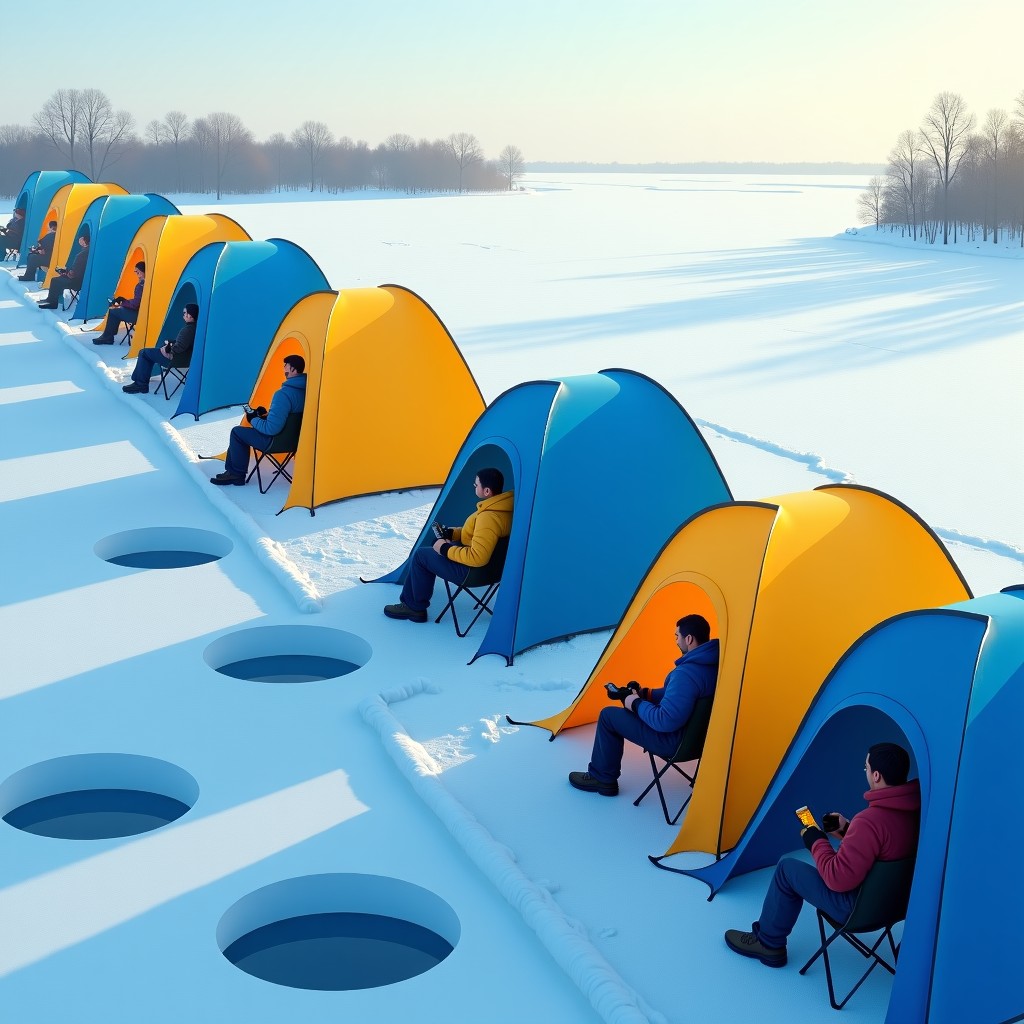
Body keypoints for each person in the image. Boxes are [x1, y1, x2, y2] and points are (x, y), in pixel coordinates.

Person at [724, 742, 920, 968]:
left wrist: (816, 841)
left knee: (787, 869)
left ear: (876, 775)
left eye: (865, 767)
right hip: (893, 908)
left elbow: (837, 879)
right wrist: (848, 831)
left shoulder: (870, 821)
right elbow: (886, 851)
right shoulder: (917, 814)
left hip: (857, 910)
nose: (865, 772)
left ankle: (768, 943)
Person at [568, 614, 720, 796]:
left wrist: (635, 703)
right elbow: (682, 695)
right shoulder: (714, 666)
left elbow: (665, 720)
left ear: (689, 639)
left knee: (608, 715)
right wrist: (644, 694)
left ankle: (602, 778)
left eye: (677, 636)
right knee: (628, 709)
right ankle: (603, 776)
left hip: (671, 741)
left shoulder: (686, 673)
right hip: (696, 742)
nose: (676, 641)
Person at [384, 467, 514, 623]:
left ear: (486, 491)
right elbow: (478, 534)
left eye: (476, 485)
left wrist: (444, 549)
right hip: (493, 571)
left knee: (421, 555)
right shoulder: (504, 509)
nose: (474, 486)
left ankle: (414, 608)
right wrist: (451, 533)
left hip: (472, 573)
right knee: (432, 550)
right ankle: (414, 600)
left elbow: (478, 557)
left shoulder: (489, 517)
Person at [211, 354, 307, 486]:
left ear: (294, 370)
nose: (284, 369)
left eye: (286, 366)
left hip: (273, 442)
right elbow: (287, 418)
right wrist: (264, 415)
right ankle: (235, 473)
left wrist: (252, 419)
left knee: (237, 432)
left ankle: (236, 474)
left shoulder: (283, 394)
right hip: (293, 443)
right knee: (246, 430)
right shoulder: (307, 391)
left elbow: (271, 429)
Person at [122, 303, 198, 395]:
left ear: (189, 315)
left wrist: (168, 346)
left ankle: (140, 384)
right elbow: (184, 345)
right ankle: (139, 381)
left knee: (144, 353)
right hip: (185, 360)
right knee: (150, 354)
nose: (183, 314)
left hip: (174, 360)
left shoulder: (187, 330)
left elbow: (178, 348)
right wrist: (171, 343)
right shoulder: (196, 328)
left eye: (184, 312)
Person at [93, 261, 145, 344]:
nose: (136, 274)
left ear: (144, 271)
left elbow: (135, 305)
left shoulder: (141, 286)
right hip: (145, 314)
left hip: (139, 316)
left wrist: (123, 302)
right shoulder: (150, 283)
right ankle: (108, 335)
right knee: (117, 309)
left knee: (113, 310)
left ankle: (108, 336)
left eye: (138, 271)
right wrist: (125, 301)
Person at [37, 235, 90, 309]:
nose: (79, 242)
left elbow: (75, 273)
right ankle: (50, 300)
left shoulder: (82, 254)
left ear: (84, 242)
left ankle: (52, 302)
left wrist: (66, 273)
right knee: (59, 279)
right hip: (83, 280)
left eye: (81, 241)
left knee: (55, 281)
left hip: (77, 282)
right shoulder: (89, 252)